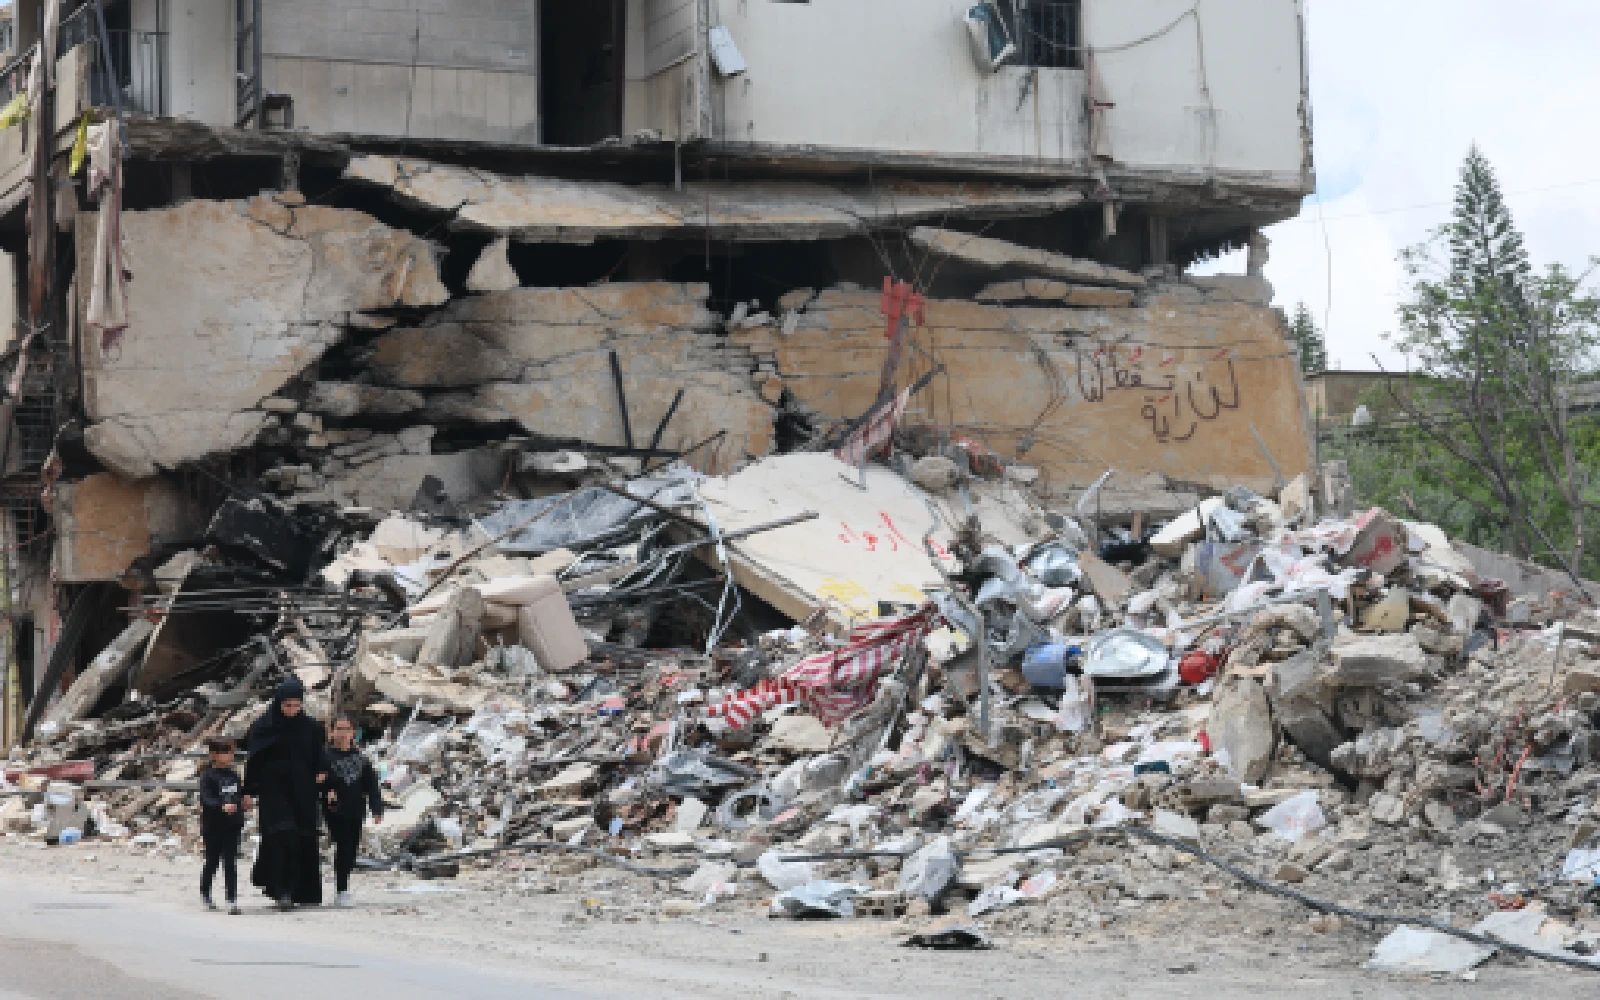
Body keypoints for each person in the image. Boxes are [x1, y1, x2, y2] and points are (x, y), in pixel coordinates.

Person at [244, 678, 328, 910]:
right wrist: (249, 790)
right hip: (274, 791)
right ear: (278, 703)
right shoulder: (264, 727)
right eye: (287, 705)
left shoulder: (310, 727)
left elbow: (318, 754)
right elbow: (254, 760)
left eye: (296, 705)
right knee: (282, 836)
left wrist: (321, 771)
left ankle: (301, 891)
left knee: (302, 838)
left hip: (302, 791)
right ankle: (282, 891)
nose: (291, 710)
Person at [322, 714, 385, 907]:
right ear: (331, 732)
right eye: (338, 729)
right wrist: (326, 791)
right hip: (333, 810)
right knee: (343, 845)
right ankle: (341, 890)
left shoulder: (361, 760)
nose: (342, 733)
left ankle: (343, 887)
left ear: (353, 733)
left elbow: (372, 786)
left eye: (346, 729)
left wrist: (377, 809)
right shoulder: (324, 757)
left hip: (356, 809)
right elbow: (316, 781)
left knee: (350, 849)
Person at [198, 737, 250, 915]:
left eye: (231, 751)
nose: (230, 755)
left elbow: (237, 794)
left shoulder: (234, 775)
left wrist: (243, 801)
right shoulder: (207, 776)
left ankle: (231, 899)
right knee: (212, 861)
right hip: (213, 825)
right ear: (214, 754)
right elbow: (206, 799)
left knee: (230, 862)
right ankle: (205, 893)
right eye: (226, 751)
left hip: (232, 824)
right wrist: (221, 806)